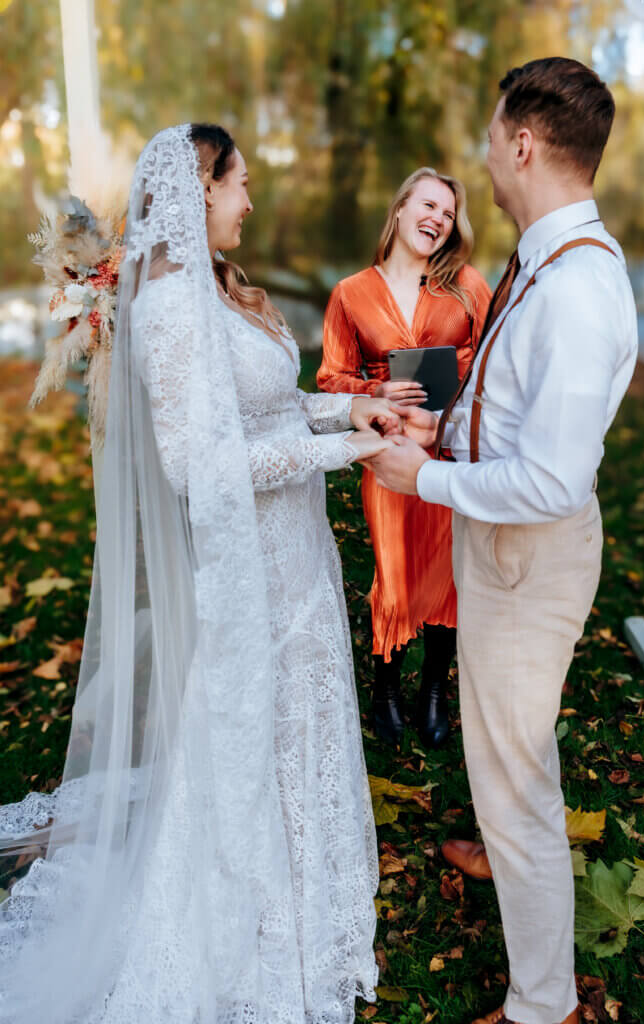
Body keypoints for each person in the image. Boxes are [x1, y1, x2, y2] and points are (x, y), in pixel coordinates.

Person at [0, 123, 402, 1023]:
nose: (249, 200)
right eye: (240, 183)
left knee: (299, 722)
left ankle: (308, 885)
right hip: (245, 566)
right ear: (199, 189)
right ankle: (251, 916)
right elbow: (198, 465)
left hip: (294, 554)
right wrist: (338, 454)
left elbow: (265, 405)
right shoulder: (172, 310)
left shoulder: (215, 294)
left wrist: (353, 407)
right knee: (248, 731)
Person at [368, 58, 638, 1024]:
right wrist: (448, 431)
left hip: (527, 551)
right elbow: (512, 406)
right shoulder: (542, 256)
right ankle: (503, 831)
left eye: (489, 138)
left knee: (518, 765)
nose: (484, 156)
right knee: (504, 742)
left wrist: (422, 477)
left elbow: (554, 479)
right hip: (503, 537)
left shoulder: (574, 288)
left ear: (523, 143)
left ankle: (543, 1003)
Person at [317, 169, 491, 748]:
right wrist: (375, 392)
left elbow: (495, 365)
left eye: (448, 213)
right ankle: (386, 687)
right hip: (388, 453)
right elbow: (330, 377)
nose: (438, 219)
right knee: (393, 570)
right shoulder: (349, 293)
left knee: (447, 573)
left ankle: (434, 690)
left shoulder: (466, 286)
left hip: (449, 452)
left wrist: (453, 398)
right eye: (429, 205)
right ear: (399, 210)